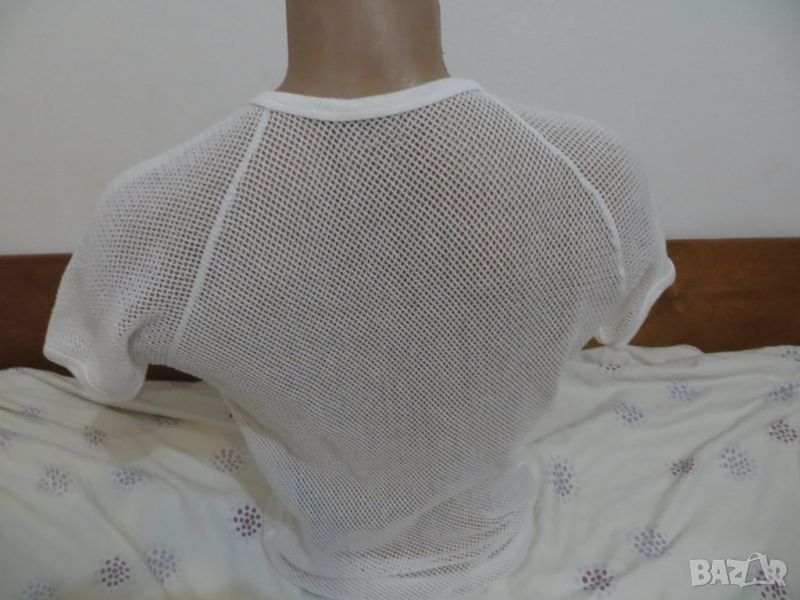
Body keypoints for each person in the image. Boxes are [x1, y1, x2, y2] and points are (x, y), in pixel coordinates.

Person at [42, 0, 676, 598]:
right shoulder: (592, 171)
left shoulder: (153, 212)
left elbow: (106, 375)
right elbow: (619, 323)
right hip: (498, 550)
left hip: (322, 561)